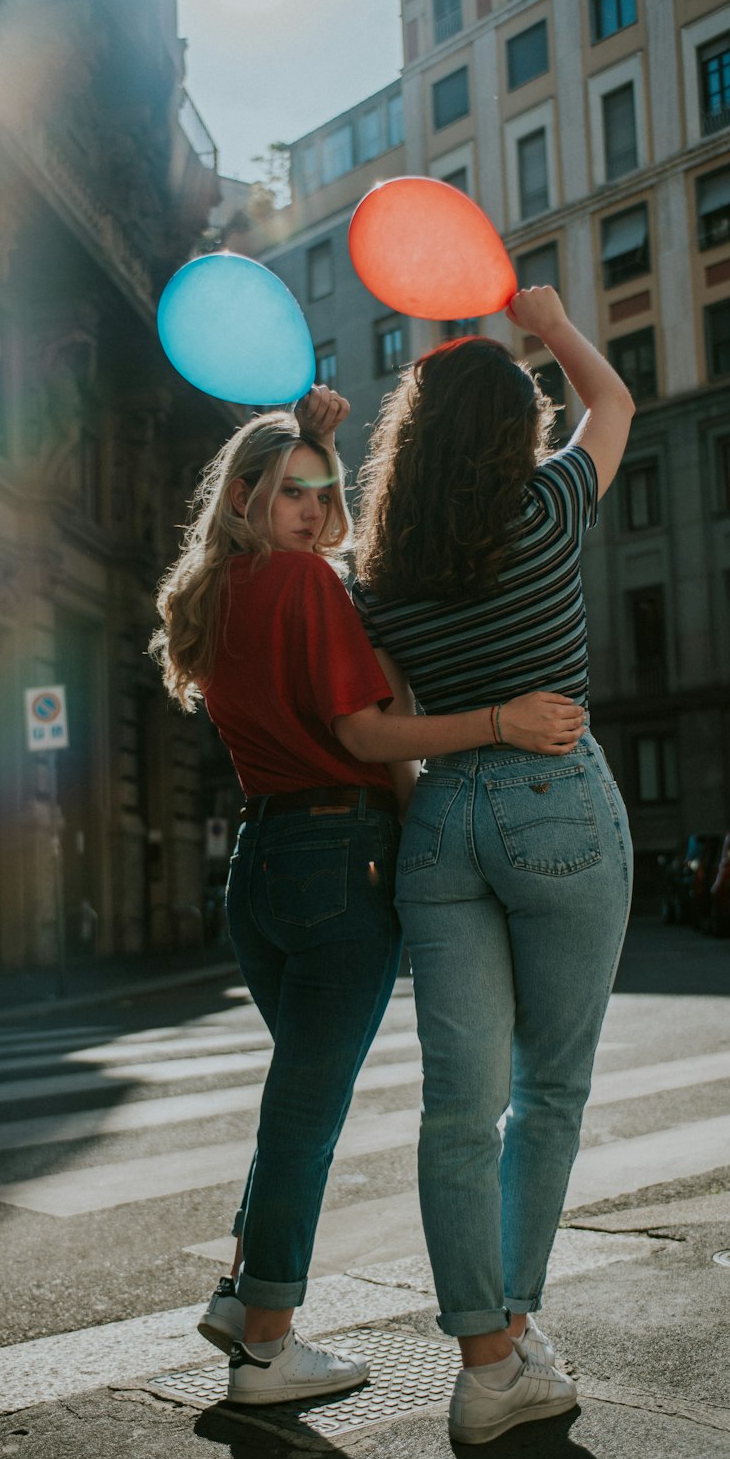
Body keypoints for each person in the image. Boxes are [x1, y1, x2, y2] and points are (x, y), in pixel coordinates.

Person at [149, 385, 588, 1407]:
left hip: (260, 865)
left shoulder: (216, 590)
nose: (312, 510)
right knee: (305, 1113)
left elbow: (317, 580)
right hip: (339, 856)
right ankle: (266, 1344)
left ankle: (239, 1300)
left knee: (293, 1099)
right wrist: (499, 722)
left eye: (324, 493)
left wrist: (317, 447)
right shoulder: (303, 584)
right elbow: (362, 733)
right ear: (246, 495)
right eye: (290, 492)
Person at [352, 286, 635, 1445]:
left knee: (455, 1114)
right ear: (513, 432)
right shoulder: (549, 507)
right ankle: (515, 1326)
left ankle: (481, 1361)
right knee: (549, 1090)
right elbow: (613, 400)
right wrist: (554, 324)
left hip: (439, 823)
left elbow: (371, 725)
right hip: (554, 802)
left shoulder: (378, 576)